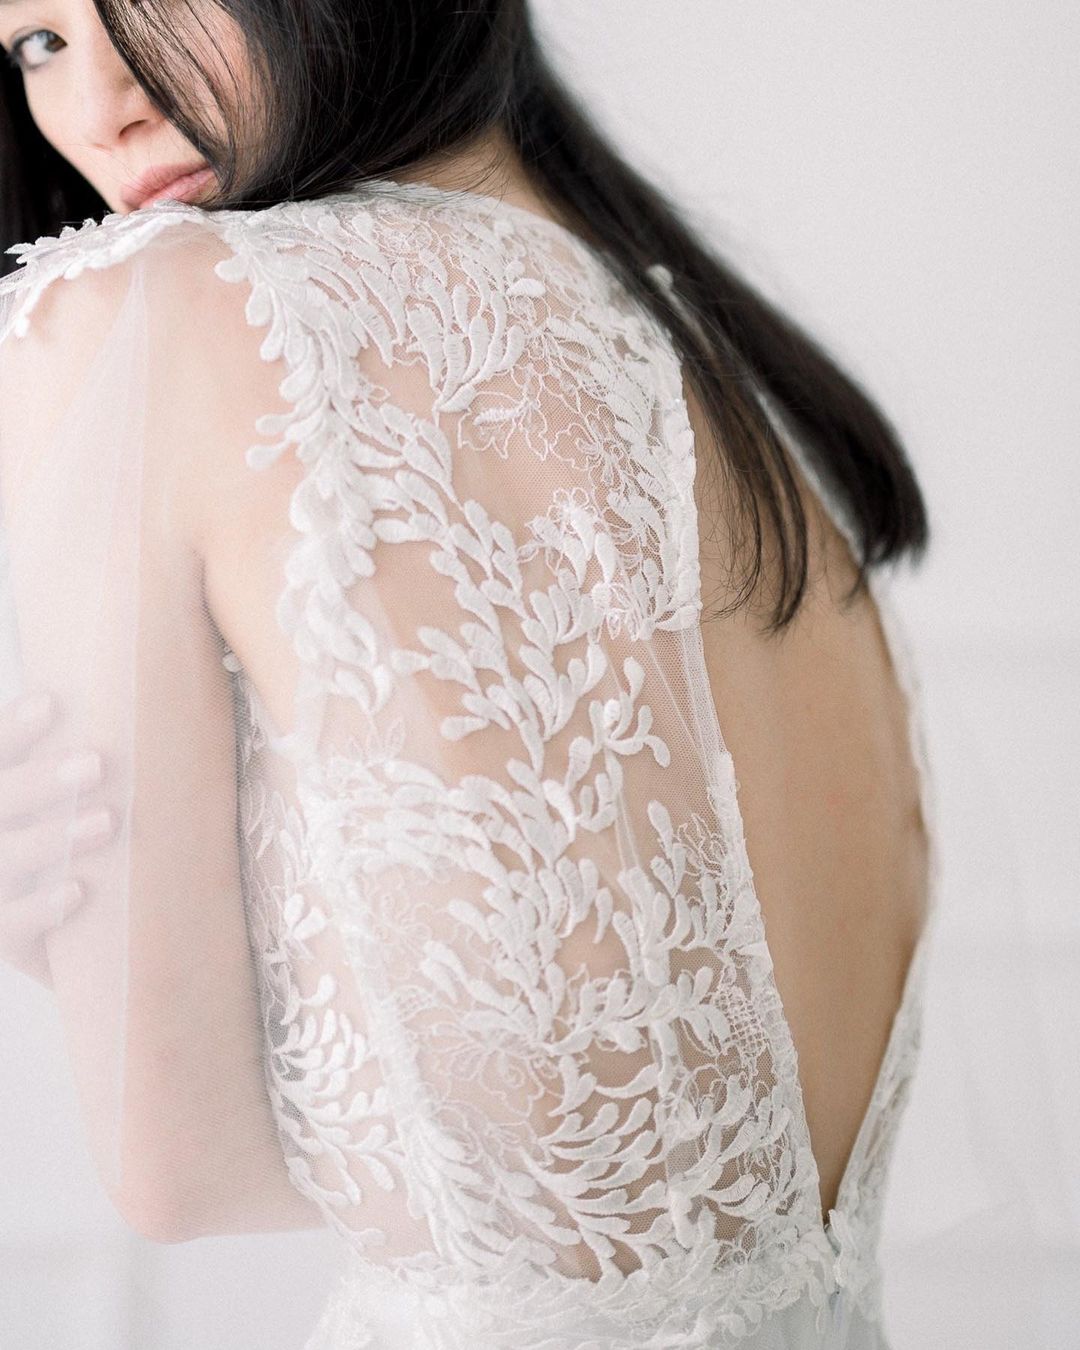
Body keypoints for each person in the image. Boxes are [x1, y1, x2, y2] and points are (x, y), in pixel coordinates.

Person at [0, 2, 950, 1346]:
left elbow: (182, 1172)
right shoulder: (741, 380)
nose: (101, 106)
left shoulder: (150, 318)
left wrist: (68, 922)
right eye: (35, 43)